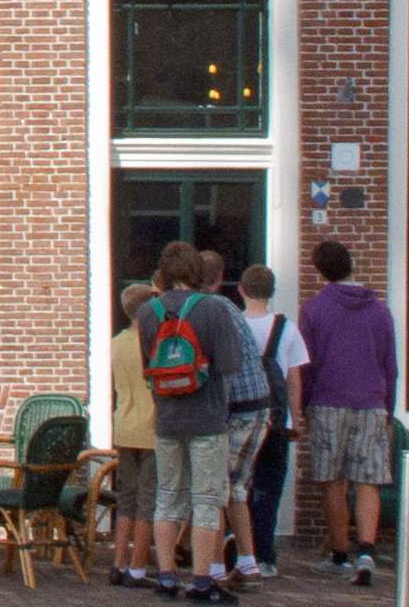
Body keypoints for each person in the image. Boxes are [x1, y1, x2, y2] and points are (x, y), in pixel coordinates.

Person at [136, 239, 249, 604]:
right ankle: (201, 581)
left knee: (167, 498)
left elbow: (147, 369)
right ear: (195, 271)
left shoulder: (148, 312)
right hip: (207, 418)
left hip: (167, 418)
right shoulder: (214, 308)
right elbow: (232, 364)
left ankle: (166, 577)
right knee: (206, 499)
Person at [298, 239, 397, 587]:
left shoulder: (313, 309)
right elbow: (390, 366)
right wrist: (388, 410)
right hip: (371, 402)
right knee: (367, 481)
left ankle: (340, 555)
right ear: (352, 264)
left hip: (327, 401)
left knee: (332, 481)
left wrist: (304, 405)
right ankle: (367, 553)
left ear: (320, 271)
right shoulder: (380, 310)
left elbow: (306, 364)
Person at [200, 251, 273, 588]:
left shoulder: (208, 310)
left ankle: (214, 569)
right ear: (221, 276)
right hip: (259, 407)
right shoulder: (229, 306)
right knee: (237, 490)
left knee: (214, 490)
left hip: (236, 410)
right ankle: (248, 564)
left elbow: (222, 366)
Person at [240, 263, 308, 580]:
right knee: (268, 489)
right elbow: (294, 379)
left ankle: (238, 553)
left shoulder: (235, 324)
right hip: (276, 419)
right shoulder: (287, 329)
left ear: (241, 290)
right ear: (272, 293)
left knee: (235, 488)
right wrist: (296, 418)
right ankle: (265, 557)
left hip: (240, 416)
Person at [113, 282, 160, 588]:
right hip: (151, 427)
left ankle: (117, 564)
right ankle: (137, 566)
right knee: (148, 501)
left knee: (125, 498)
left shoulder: (117, 342)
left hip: (123, 425)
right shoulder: (153, 342)